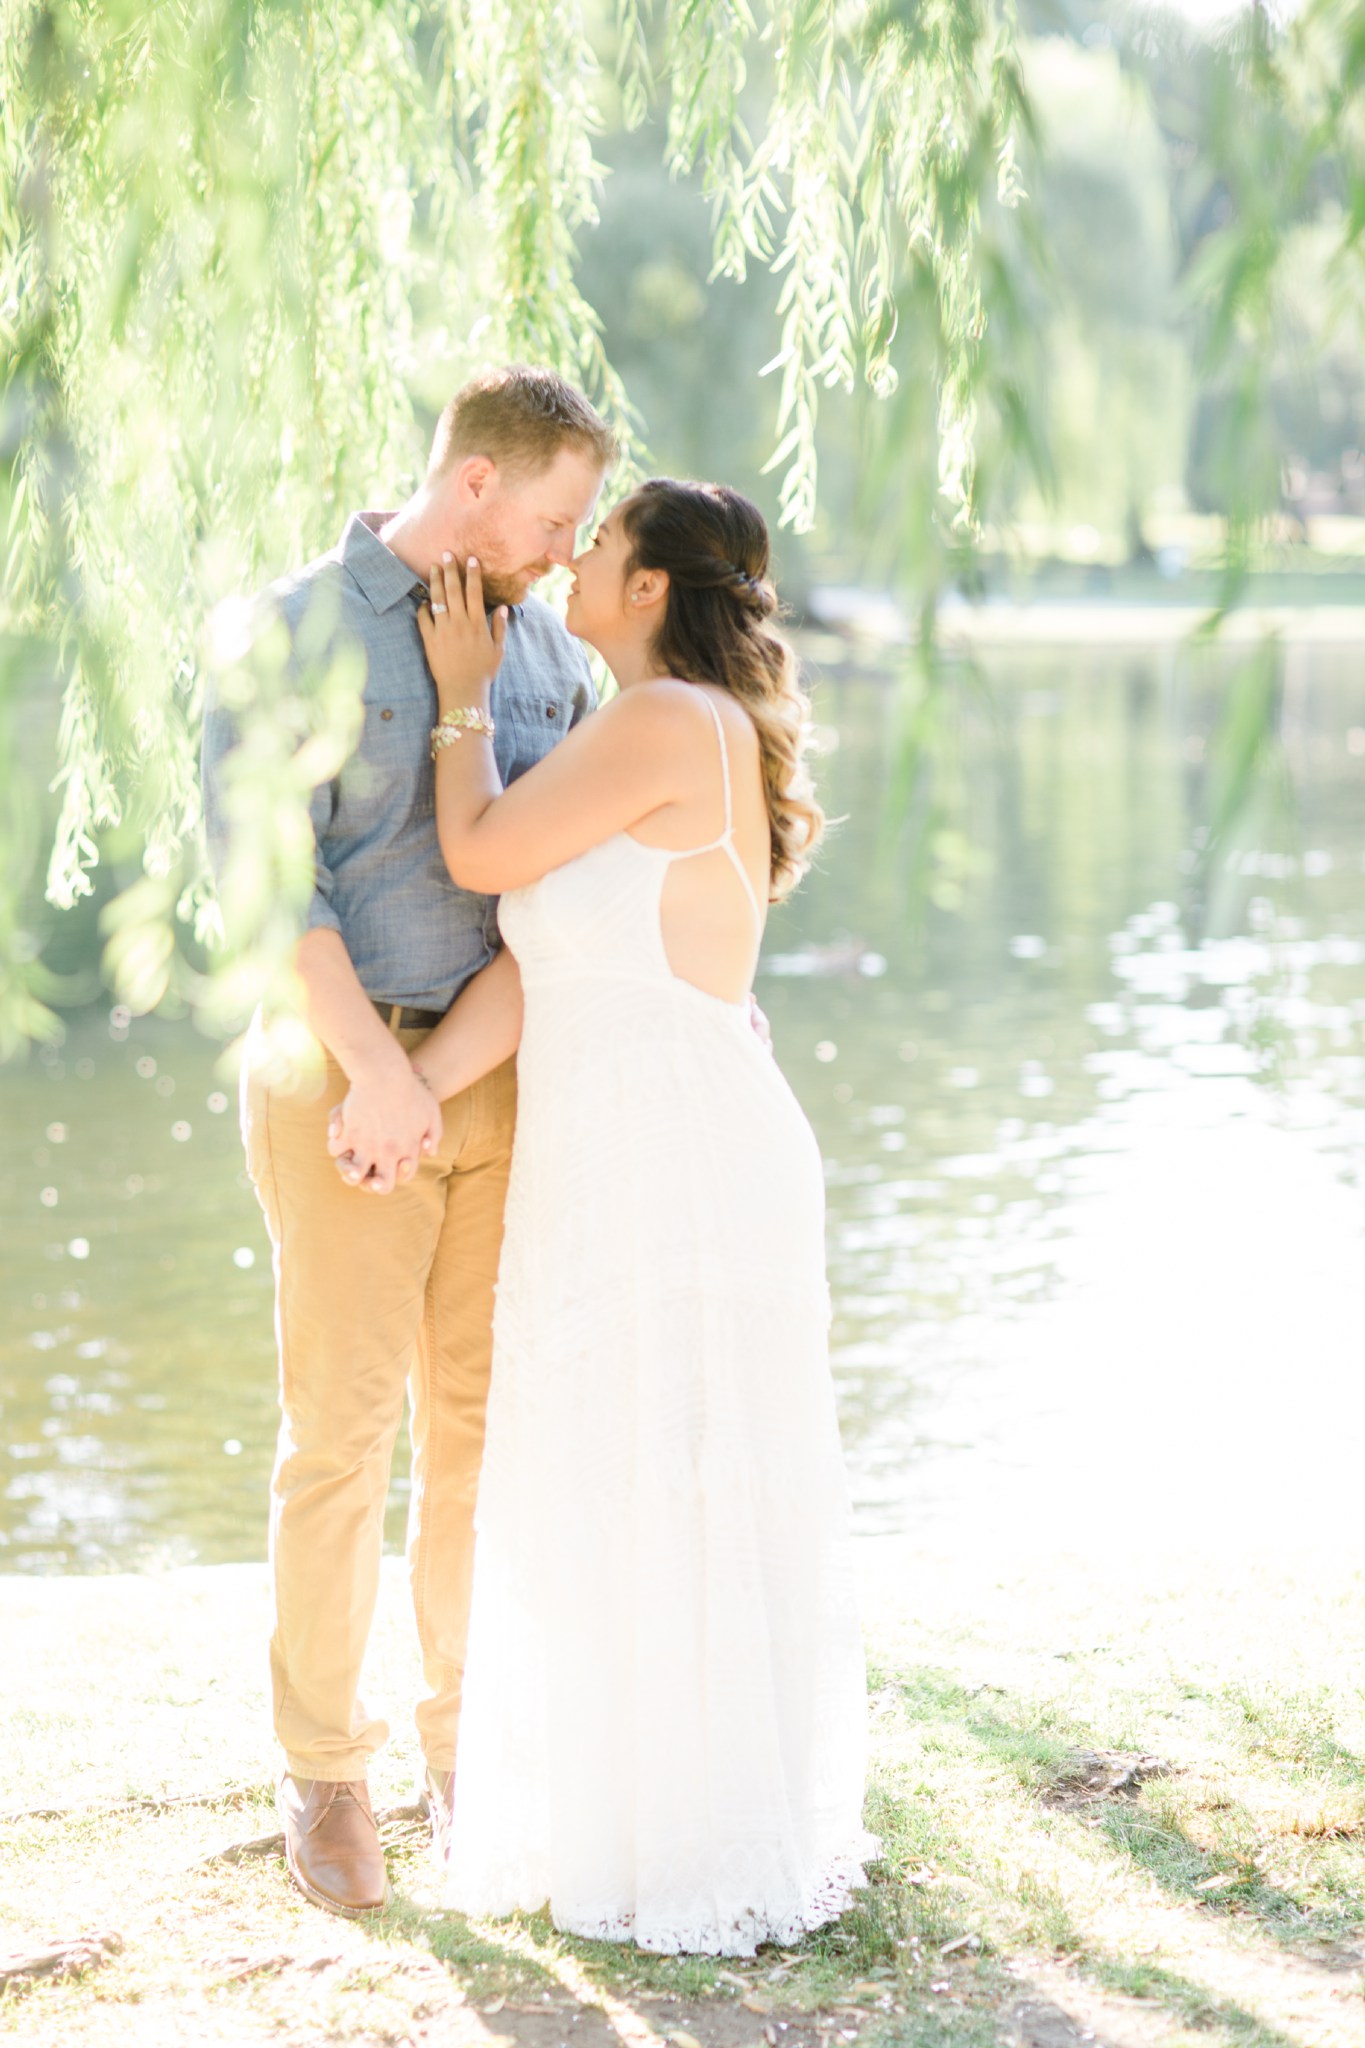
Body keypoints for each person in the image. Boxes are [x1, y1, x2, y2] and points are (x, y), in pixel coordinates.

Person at [389, 478, 874, 1954]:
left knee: (678, 1472)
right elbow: (547, 970)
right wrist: (404, 1087)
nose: (578, 558)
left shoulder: (665, 724)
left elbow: (476, 859)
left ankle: (699, 1834)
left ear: (652, 585)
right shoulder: (656, 733)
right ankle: (614, 1812)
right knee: (610, 1468)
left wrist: (462, 697)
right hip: (616, 1145)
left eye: (600, 544)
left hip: (674, 1150)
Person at [200, 367, 617, 1918]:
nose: (569, 553)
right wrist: (374, 1074)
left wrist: (433, 1081)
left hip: (491, 1077)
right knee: (340, 1435)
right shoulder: (284, 635)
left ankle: (468, 1748)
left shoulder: (554, 660)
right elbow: (274, 890)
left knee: (480, 1432)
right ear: (477, 490)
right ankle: (324, 1768)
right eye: (557, 518)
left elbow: (557, 902)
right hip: (331, 1066)